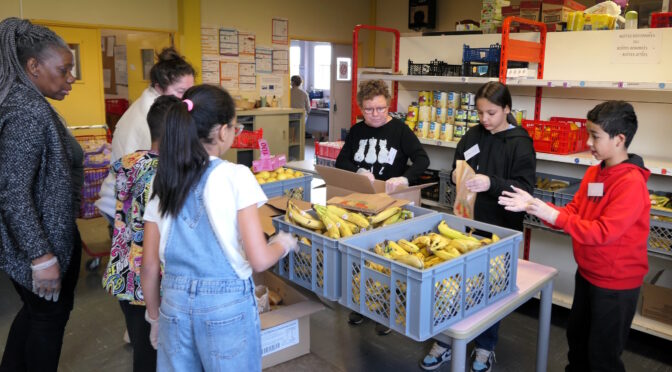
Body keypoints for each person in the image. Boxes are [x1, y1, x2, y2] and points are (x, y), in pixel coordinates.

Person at [140, 84, 299, 371]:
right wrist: (283, 243)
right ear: (223, 131)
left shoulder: (162, 179)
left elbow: (149, 266)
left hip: (173, 303)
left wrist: (154, 318)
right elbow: (259, 258)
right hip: (225, 304)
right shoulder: (236, 176)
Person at [499, 101, 649, 372]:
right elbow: (575, 212)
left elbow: (602, 232)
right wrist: (536, 206)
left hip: (616, 285)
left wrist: (553, 214)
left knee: (602, 357)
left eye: (595, 136)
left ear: (620, 139)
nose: (589, 142)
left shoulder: (631, 184)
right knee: (578, 345)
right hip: (589, 273)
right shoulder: (595, 171)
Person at [420, 81, 536, 372]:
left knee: (490, 289)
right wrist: (458, 176)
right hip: (463, 222)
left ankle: (485, 347)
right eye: (480, 112)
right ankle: (445, 340)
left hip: (499, 229)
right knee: (452, 283)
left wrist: (491, 183)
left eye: (492, 113)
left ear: (507, 110)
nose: (484, 119)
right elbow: (458, 162)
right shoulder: (473, 134)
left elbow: (525, 188)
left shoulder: (520, 143)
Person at [0, 18, 83, 371]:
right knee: (46, 323)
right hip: (40, 247)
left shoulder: (26, 101)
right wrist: (41, 256)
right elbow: (13, 192)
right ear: (33, 66)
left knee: (36, 316)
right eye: (63, 70)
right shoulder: (26, 111)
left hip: (44, 239)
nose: (71, 78)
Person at [336, 79, 430, 335]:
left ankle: (387, 310)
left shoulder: (400, 130)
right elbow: (341, 159)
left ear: (388, 105)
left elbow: (422, 159)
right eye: (368, 110)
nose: (375, 114)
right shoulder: (356, 131)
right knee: (361, 258)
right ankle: (363, 304)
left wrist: (405, 178)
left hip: (390, 207)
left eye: (380, 108)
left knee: (387, 259)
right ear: (361, 108)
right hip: (361, 205)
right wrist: (358, 170)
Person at [101, 95, 179, 371]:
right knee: (159, 356)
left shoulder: (130, 163)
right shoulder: (168, 175)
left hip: (125, 275)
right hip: (153, 281)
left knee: (143, 353)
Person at [95, 47, 195, 235]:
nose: (187, 98)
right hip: (124, 200)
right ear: (159, 87)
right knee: (135, 259)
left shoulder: (155, 103)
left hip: (125, 193)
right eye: (181, 91)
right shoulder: (152, 115)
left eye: (190, 91)